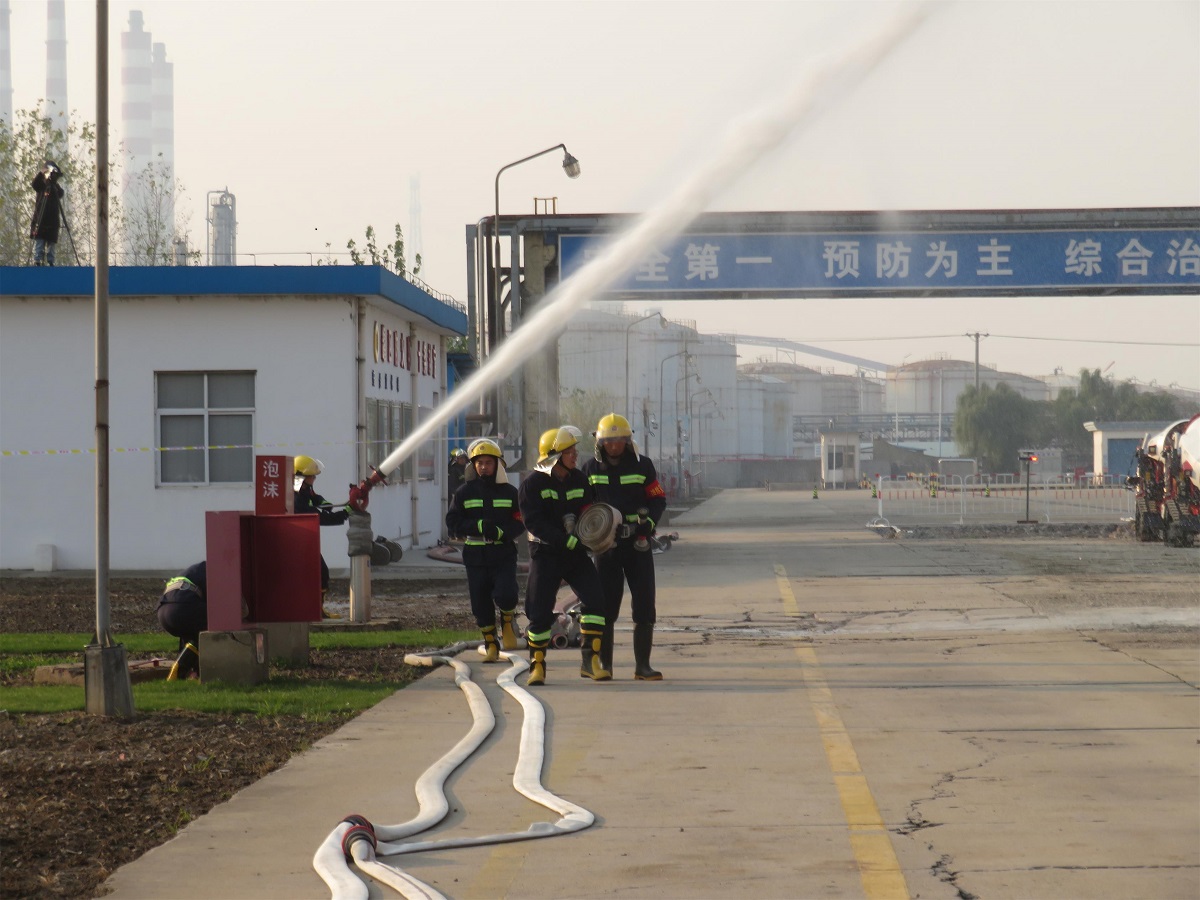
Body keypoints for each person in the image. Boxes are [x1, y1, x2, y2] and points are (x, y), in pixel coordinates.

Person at [517, 425, 612, 686]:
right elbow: (533, 522)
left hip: (576, 553)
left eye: (574, 451)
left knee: (596, 602)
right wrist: (562, 539)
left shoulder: (579, 479)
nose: (575, 455)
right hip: (546, 553)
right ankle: (537, 667)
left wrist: (594, 534)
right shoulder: (532, 485)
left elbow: (588, 510)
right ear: (554, 456)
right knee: (538, 611)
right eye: (569, 452)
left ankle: (590, 663)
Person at [580, 413, 668, 680]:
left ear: (628, 441)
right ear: (600, 442)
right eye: (608, 441)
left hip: (638, 545)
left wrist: (648, 523)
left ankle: (643, 666)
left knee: (644, 605)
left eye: (618, 440)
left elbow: (658, 499)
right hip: (606, 548)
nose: (614, 445)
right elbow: (583, 505)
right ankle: (605, 665)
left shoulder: (643, 466)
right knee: (606, 607)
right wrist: (593, 532)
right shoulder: (590, 469)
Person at [445, 439, 527, 661]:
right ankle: (491, 643)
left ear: (497, 464)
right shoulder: (463, 493)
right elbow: (452, 521)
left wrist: (502, 532)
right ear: (473, 465)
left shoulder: (510, 493)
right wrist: (478, 526)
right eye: (479, 463)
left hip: (503, 553)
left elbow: (520, 521)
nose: (483, 467)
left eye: (488, 463)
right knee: (480, 604)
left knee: (506, 594)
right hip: (475, 556)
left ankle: (507, 620)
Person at [293, 455, 350, 620]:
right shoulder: (297, 499)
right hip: (298, 542)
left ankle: (316, 609)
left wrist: (325, 503)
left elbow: (314, 497)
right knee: (320, 573)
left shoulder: (304, 489)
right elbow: (319, 518)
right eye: (312, 476)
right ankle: (313, 610)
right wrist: (345, 513)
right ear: (302, 477)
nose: (314, 478)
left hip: (305, 540)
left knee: (321, 573)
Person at [157, 561, 207, 680]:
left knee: (192, 634)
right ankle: (186, 669)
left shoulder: (197, 569)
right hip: (182, 607)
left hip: (163, 610)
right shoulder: (216, 570)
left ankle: (183, 672)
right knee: (215, 629)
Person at [30, 161, 65, 266]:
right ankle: (38, 260)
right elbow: (34, 184)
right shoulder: (41, 185)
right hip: (40, 221)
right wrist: (42, 173)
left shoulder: (55, 187)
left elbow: (61, 193)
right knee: (39, 243)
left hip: (52, 222)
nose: (55, 178)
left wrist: (54, 184)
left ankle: (51, 261)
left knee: (51, 244)